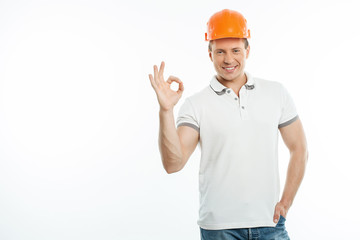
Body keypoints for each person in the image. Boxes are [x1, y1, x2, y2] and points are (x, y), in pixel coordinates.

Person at [148, 9, 308, 240]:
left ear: (248, 50)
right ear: (210, 53)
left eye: (235, 50)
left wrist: (286, 202)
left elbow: (299, 148)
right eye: (220, 51)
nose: (229, 59)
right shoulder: (196, 105)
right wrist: (166, 111)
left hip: (270, 224)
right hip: (219, 229)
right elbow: (173, 164)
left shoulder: (276, 93)